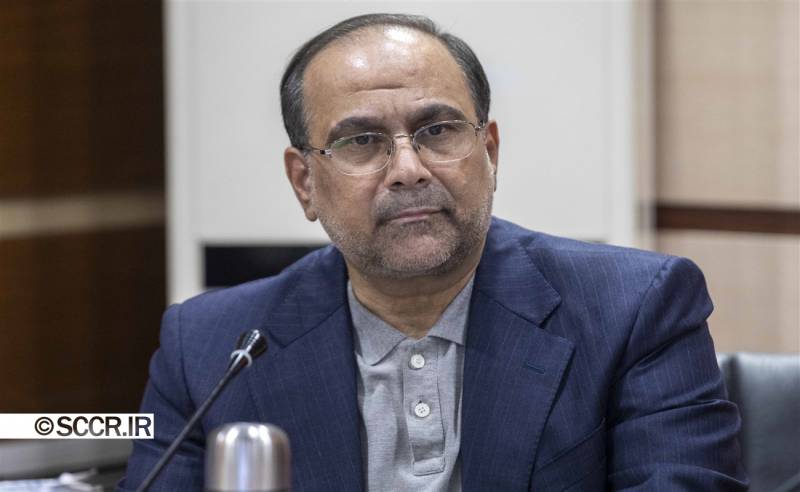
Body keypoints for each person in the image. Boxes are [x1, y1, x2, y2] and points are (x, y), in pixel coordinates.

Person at [119, 13, 748, 491]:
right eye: (362, 141)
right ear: (304, 181)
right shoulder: (211, 347)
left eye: (438, 130)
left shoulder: (634, 308)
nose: (409, 170)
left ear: (489, 152)